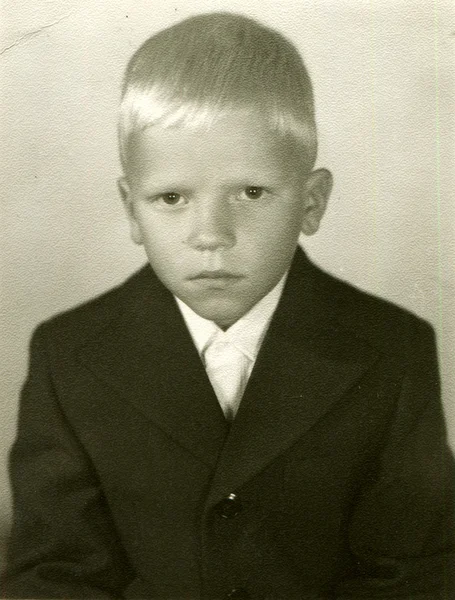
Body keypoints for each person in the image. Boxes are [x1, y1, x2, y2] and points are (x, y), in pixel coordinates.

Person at [1, 12, 454, 600]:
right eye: (171, 197)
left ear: (311, 203)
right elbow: (54, 575)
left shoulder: (393, 348)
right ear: (131, 209)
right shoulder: (69, 354)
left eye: (251, 192)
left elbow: (413, 572)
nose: (211, 233)